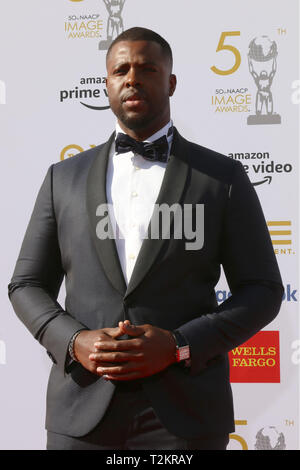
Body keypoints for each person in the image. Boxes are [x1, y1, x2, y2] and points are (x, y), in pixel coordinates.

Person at [8, 27, 283, 450]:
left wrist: (180, 346)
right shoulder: (61, 179)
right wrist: (75, 341)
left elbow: (262, 290)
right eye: (120, 69)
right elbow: (26, 284)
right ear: (107, 84)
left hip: (186, 416)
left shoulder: (222, 178)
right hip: (81, 411)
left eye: (147, 68)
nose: (132, 78)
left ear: (170, 82)